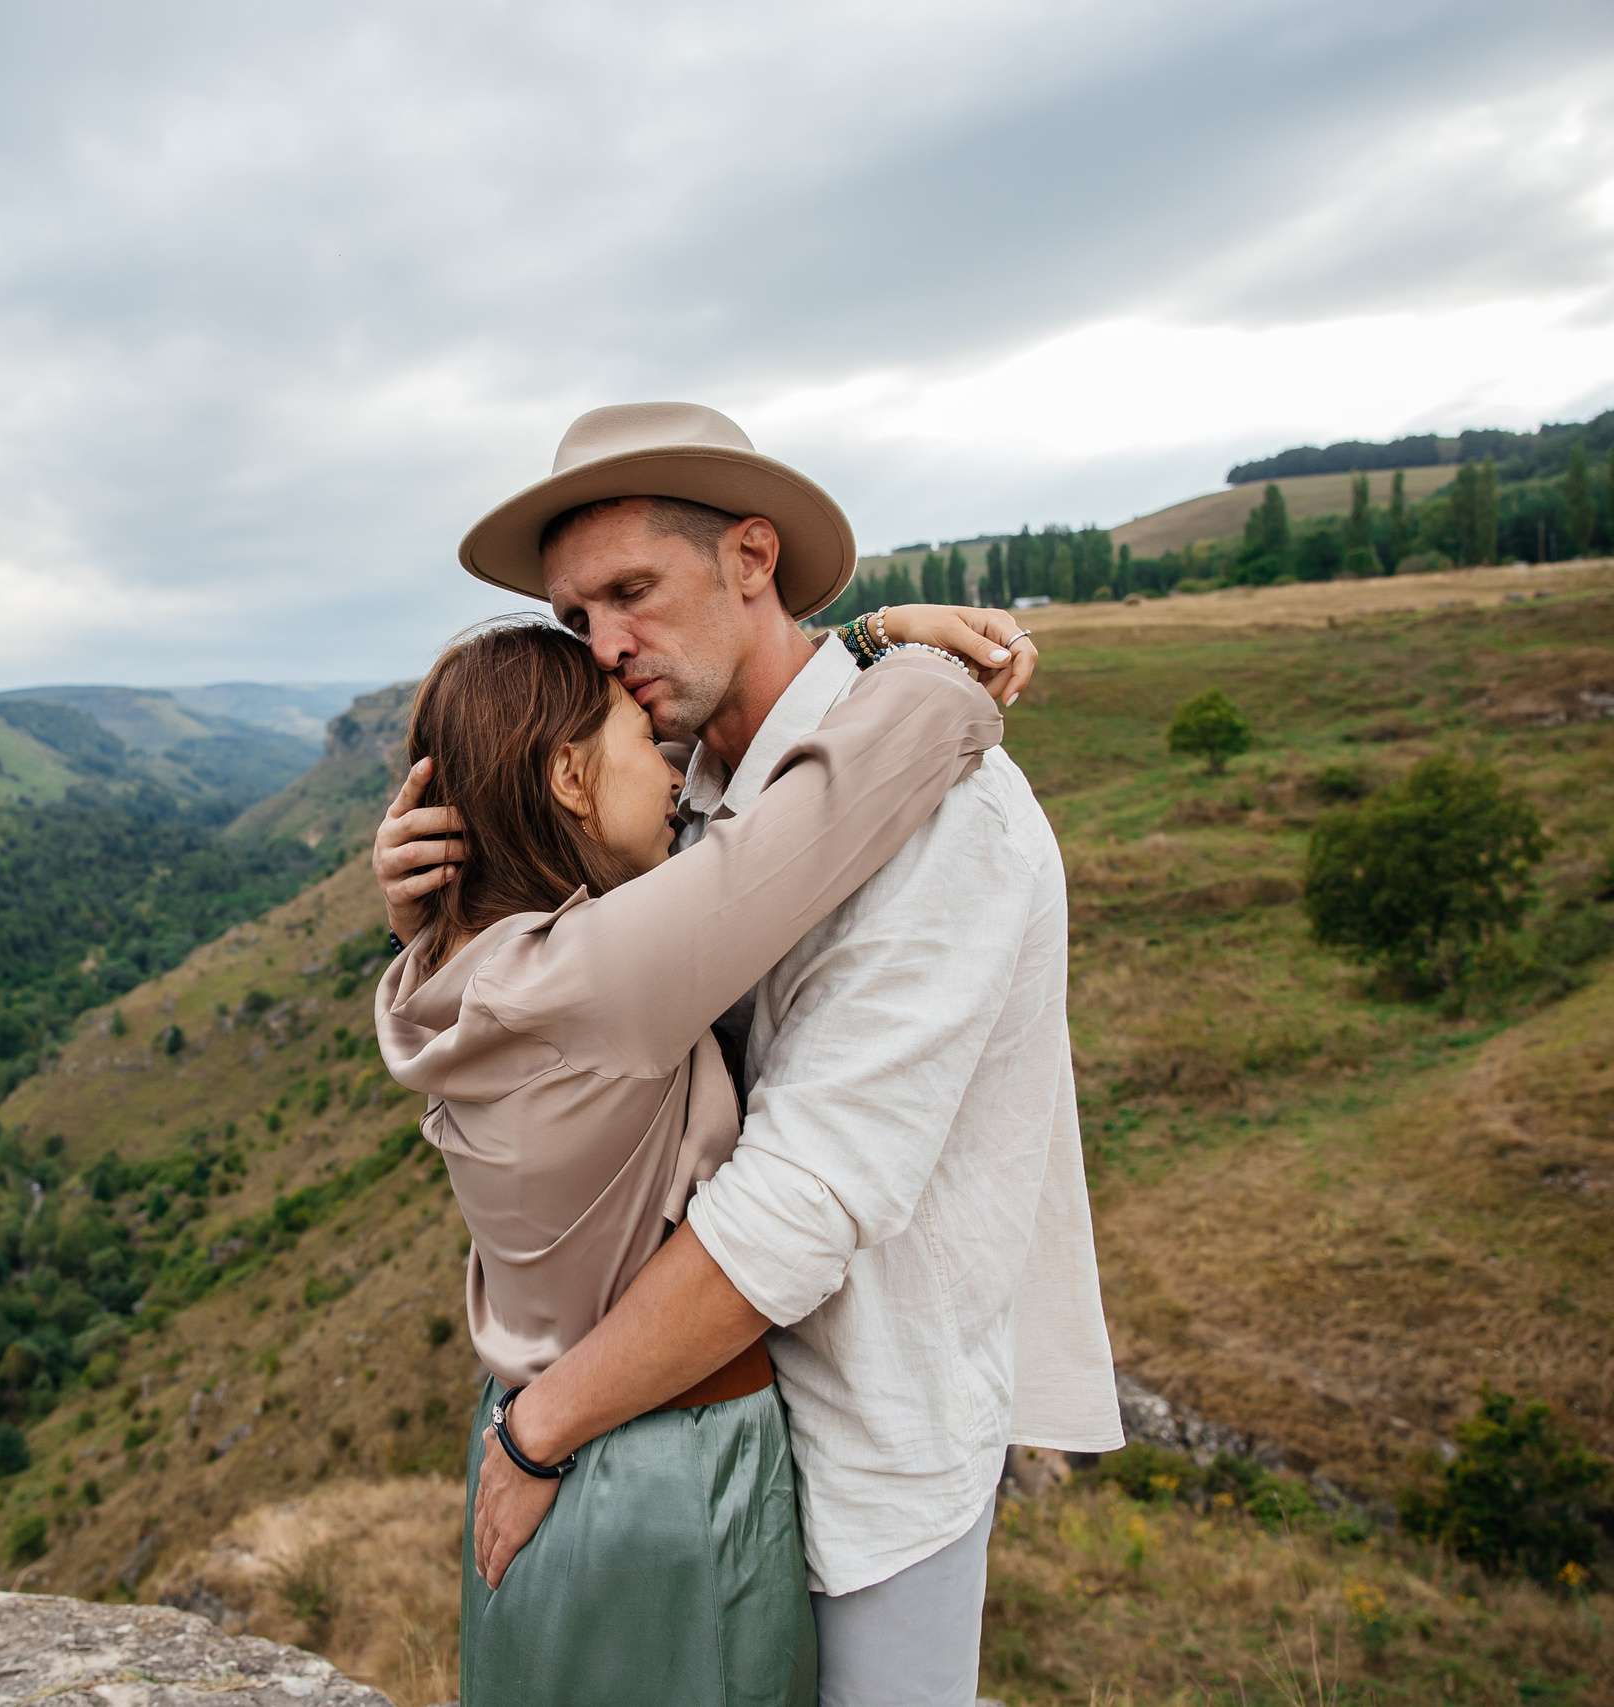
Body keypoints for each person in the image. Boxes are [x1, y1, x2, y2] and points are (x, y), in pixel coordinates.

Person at [376, 403, 1123, 1707]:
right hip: (682, 1441)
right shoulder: (676, 800)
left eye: (630, 592)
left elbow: (802, 1198)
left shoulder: (951, 822)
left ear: (751, 560)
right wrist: (443, 899)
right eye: (575, 619)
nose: (606, 648)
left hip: (860, 1452)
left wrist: (540, 1427)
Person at [380, 621, 1000, 1706]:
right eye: (637, 738)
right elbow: (854, 788)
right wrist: (899, 645)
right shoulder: (598, 976)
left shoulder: (439, 974)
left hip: (528, 1438)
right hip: (664, 1460)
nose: (674, 770)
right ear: (569, 775)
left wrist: (414, 912)